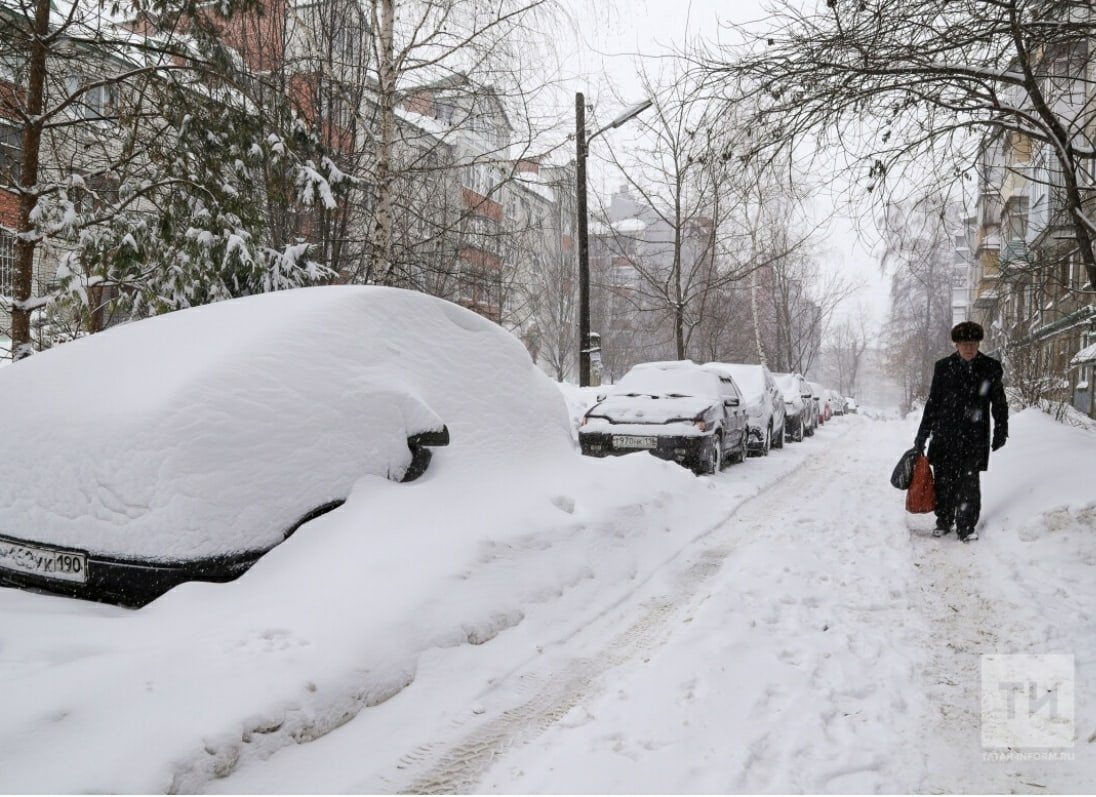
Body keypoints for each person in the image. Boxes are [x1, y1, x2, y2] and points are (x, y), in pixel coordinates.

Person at [914, 321, 1009, 543]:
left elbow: (999, 402)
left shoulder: (990, 367)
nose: (969, 348)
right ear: (956, 345)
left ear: (978, 344)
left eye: (973, 343)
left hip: (974, 437)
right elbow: (933, 403)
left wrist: (1001, 430)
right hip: (945, 434)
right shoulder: (943, 367)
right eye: (965, 343)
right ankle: (944, 520)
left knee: (969, 484)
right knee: (944, 481)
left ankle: (966, 526)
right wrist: (922, 434)